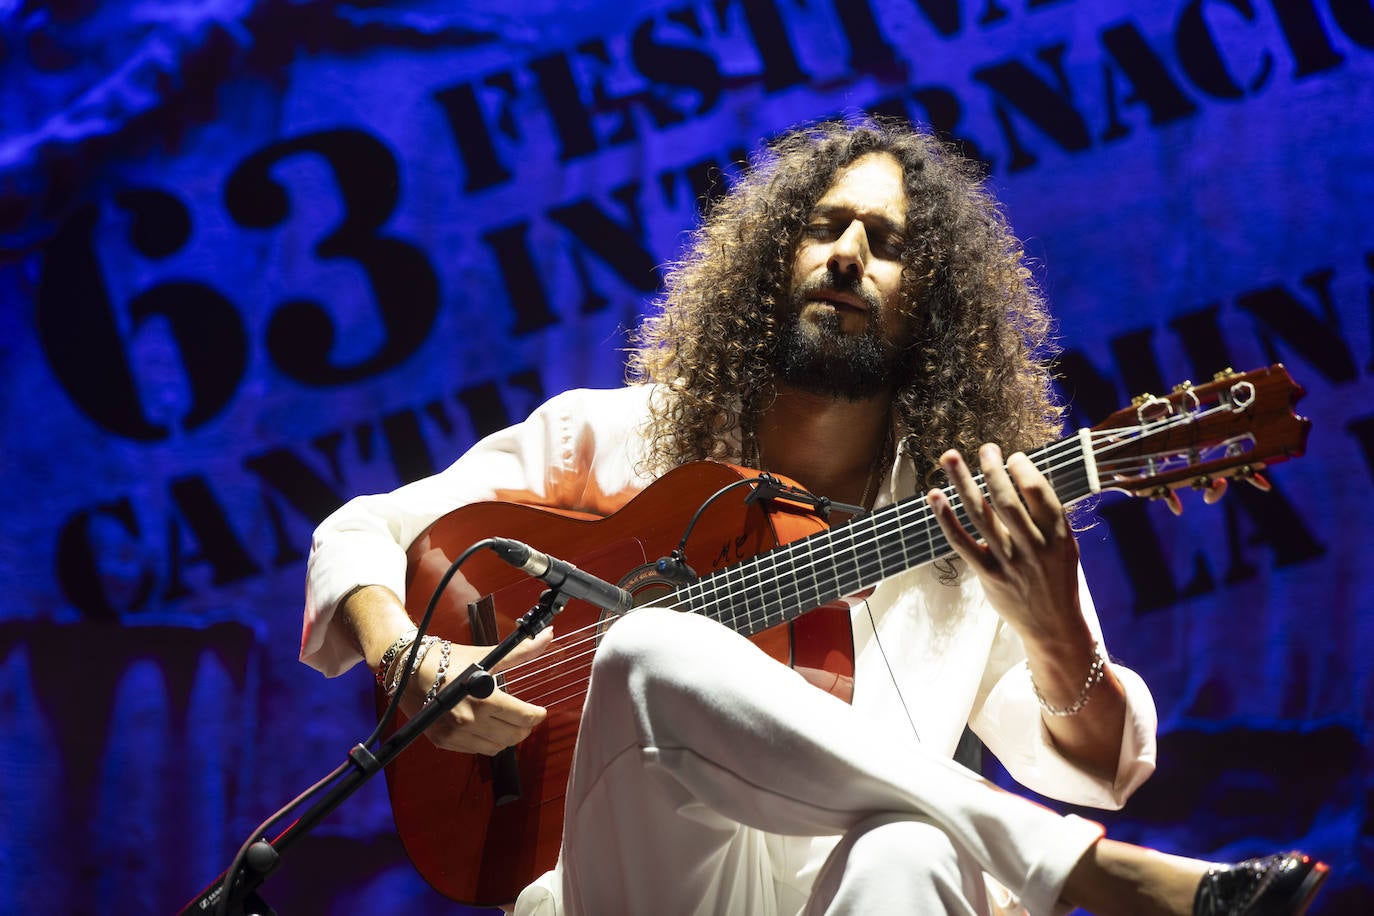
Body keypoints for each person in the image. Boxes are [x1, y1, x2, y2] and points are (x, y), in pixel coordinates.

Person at [300, 119, 1328, 914]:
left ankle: (1066, 868)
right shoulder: (618, 437)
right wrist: (409, 660)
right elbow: (359, 533)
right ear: (769, 261)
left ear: (930, 306)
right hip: (636, 876)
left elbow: (1102, 766)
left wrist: (1056, 625)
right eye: (824, 226)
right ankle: (1094, 881)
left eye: (886, 244)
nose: (846, 254)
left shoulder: (971, 521)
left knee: (914, 846)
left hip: (852, 893)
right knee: (651, 645)